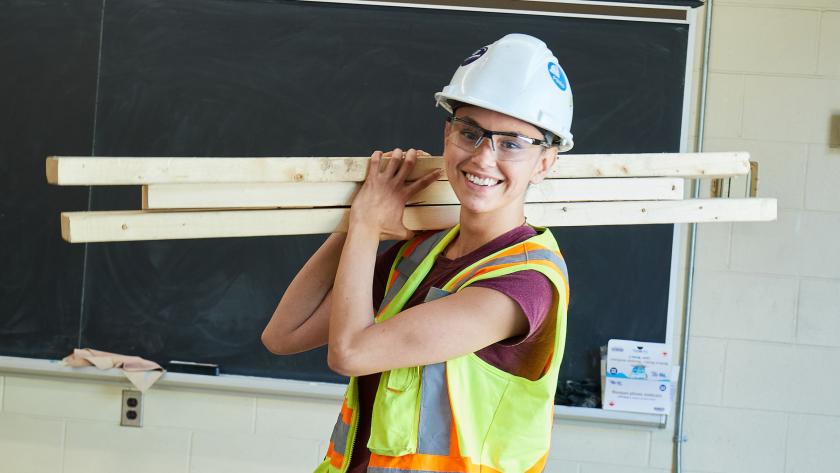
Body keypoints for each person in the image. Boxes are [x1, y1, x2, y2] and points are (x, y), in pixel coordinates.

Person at [262, 33, 573, 473]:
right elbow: (284, 334)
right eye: (471, 133)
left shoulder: (522, 285)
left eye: (511, 143)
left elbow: (349, 353)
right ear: (448, 136)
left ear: (545, 163)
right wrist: (355, 225)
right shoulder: (423, 255)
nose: (484, 158)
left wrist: (369, 225)